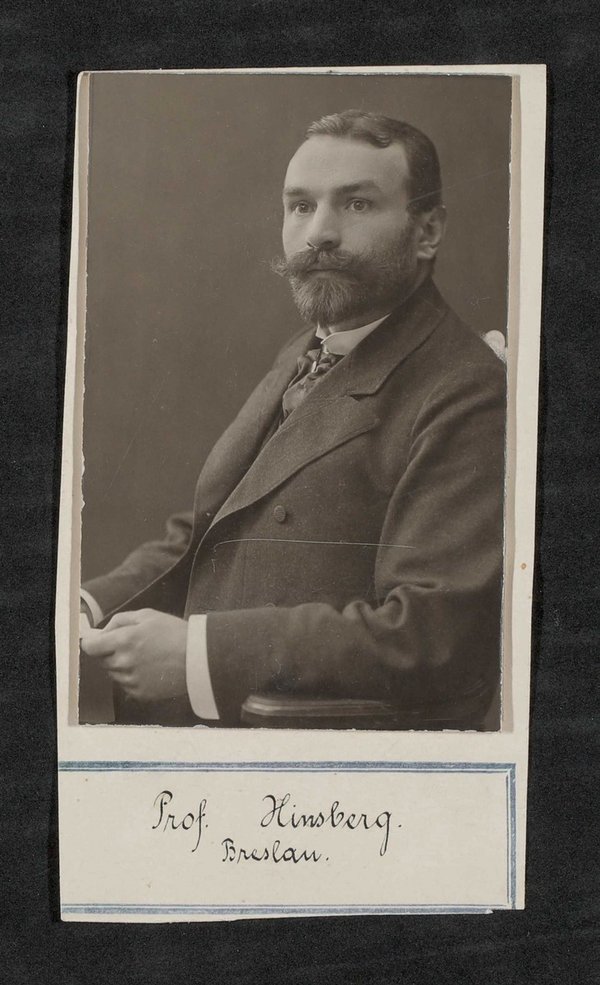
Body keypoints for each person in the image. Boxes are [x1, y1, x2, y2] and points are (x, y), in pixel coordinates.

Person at [80, 109, 506, 730]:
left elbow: (429, 635)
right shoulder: (307, 350)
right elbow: (213, 527)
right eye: (301, 206)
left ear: (428, 231)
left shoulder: (466, 389)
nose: (319, 234)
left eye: (357, 205)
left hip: (305, 755)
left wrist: (199, 657)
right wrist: (85, 605)